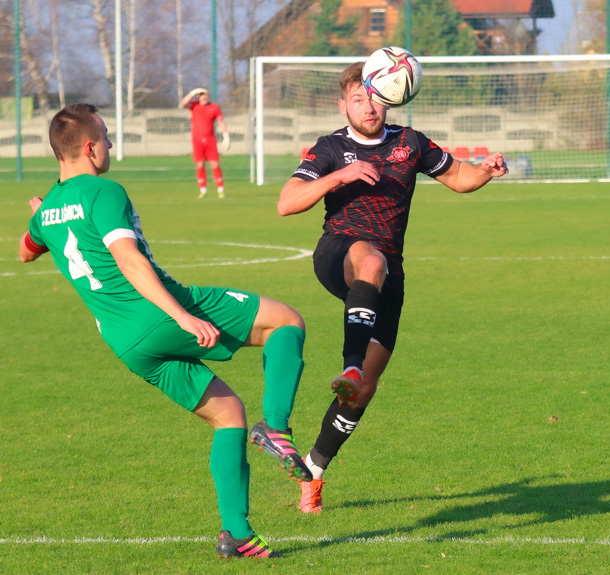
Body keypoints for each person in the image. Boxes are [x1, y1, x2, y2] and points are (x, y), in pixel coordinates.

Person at [20, 103, 309, 559]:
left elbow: (25, 251)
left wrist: (41, 213)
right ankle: (275, 427)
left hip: (125, 342)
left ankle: (237, 535)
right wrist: (182, 316)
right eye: (107, 138)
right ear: (91, 148)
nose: (112, 145)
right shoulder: (104, 191)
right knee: (286, 321)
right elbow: (128, 258)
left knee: (228, 413)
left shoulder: (46, 212)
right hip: (160, 314)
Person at [277, 62, 509, 514]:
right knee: (370, 258)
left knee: (367, 387)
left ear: (388, 97)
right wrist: (338, 176)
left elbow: (458, 177)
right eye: (358, 99)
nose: (368, 107)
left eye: (374, 98)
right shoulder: (330, 148)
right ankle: (349, 366)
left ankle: (314, 470)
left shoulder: (410, 143)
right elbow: (287, 203)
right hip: (339, 253)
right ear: (343, 104)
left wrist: (485, 171)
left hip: (388, 272)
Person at [181, 87, 230, 199]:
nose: (204, 97)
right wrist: (192, 92)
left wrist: (226, 136)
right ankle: (203, 190)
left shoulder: (214, 107)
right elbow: (183, 103)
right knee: (200, 165)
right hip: (197, 140)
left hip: (210, 140)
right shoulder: (194, 106)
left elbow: (221, 122)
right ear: (198, 96)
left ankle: (220, 190)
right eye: (201, 95)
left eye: (205, 94)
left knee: (215, 164)